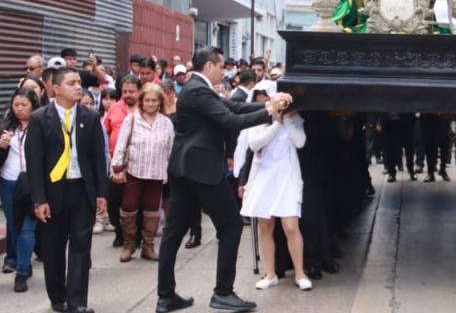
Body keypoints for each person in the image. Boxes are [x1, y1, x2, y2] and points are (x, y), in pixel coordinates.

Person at [156, 47, 293, 313]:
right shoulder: (197, 90)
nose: (223, 71)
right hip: (202, 169)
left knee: (174, 232)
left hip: (185, 169)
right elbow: (230, 120)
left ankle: (166, 296)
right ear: (209, 66)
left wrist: (269, 103)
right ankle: (223, 292)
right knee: (230, 226)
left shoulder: (197, 89)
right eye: (220, 66)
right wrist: (270, 112)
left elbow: (234, 105)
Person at [26, 67, 108, 313]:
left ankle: (77, 302)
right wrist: (39, 199)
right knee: (53, 248)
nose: (77, 86)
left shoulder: (90, 117)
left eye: (79, 82)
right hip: (53, 192)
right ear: (56, 88)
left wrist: (101, 193)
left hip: (82, 190)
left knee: (81, 248)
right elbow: (34, 162)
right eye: (71, 83)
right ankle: (58, 297)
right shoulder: (41, 118)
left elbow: (97, 159)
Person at [240, 106, 311, 291]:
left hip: (288, 178)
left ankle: (300, 273)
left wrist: (287, 119)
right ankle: (270, 274)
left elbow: (300, 142)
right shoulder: (259, 118)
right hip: (264, 177)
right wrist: (275, 124)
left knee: (291, 226)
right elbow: (254, 144)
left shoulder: (294, 118)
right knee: (266, 226)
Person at [111, 83, 175, 263]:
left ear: (160, 102)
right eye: (147, 100)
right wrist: (116, 168)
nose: (150, 104)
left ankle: (148, 246)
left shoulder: (166, 123)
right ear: (141, 101)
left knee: (152, 210)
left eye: (154, 100)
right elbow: (121, 145)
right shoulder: (131, 119)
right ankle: (129, 245)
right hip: (134, 171)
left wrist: (172, 173)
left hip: (156, 174)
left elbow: (171, 150)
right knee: (129, 206)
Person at [0, 88, 41, 292]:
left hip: (33, 182)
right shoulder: (6, 125)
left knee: (27, 228)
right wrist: (1, 146)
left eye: (24, 105)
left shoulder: (42, 125)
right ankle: (24, 261)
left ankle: (20, 272)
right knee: (14, 226)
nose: (19, 109)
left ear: (33, 106)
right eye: (16, 105)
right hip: (9, 181)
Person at [103, 75, 141, 248]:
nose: (127, 95)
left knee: (135, 202)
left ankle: (136, 236)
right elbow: (106, 131)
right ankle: (119, 232)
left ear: (139, 91)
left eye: (131, 91)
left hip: (137, 163)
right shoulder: (115, 108)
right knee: (114, 201)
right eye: (125, 91)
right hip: (115, 163)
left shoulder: (145, 108)